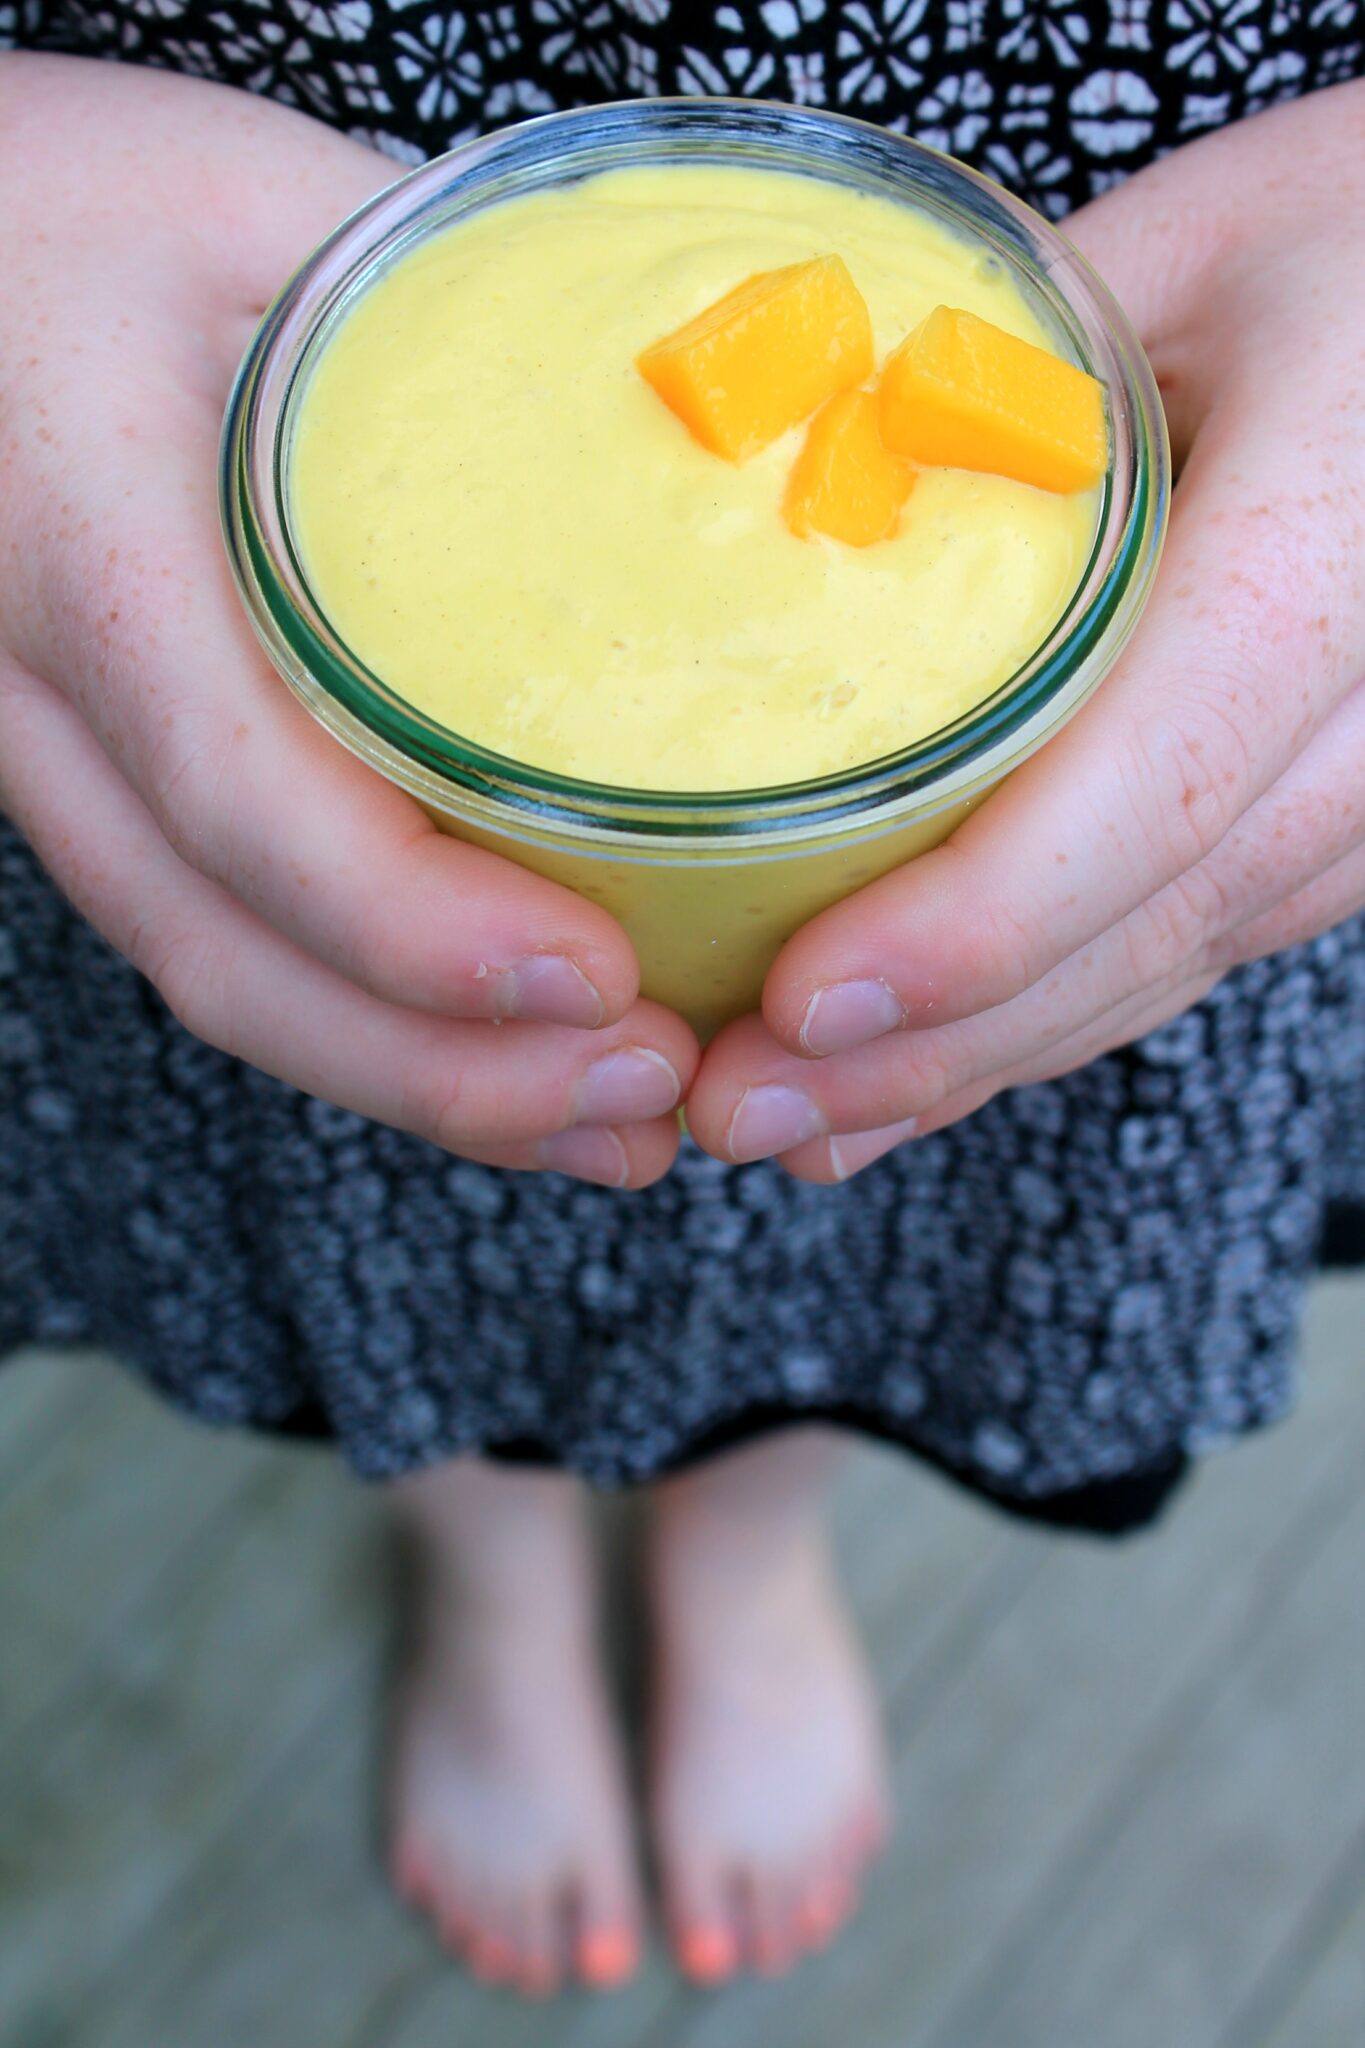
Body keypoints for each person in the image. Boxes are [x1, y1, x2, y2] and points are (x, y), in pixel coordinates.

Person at [1, 0, 1362, 2000]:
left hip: (1217, 347)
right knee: (341, 1087)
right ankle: (478, 1555)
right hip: (129, 338)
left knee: (885, 1099)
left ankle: (736, 1551)